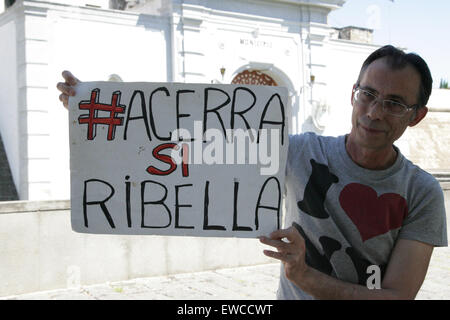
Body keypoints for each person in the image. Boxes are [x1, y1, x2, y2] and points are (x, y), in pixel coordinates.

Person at [57, 45, 447, 300]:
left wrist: (304, 275)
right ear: (353, 95)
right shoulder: (298, 151)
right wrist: (97, 113)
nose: (375, 112)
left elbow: (398, 296)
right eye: (368, 95)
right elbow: (195, 146)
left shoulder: (422, 192)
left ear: (417, 116)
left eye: (395, 103)